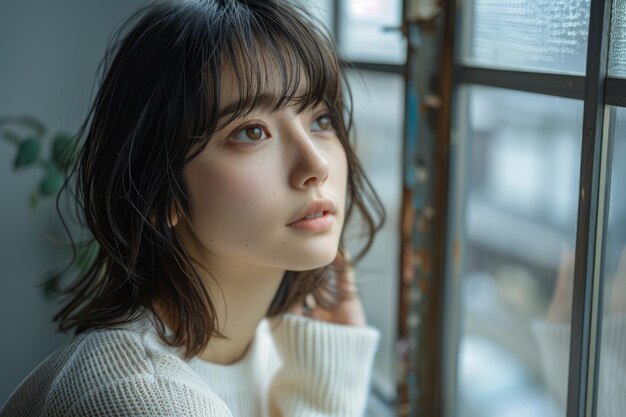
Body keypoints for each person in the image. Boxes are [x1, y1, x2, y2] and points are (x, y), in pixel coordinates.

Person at [0, 0, 386, 415]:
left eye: (321, 120)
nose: (316, 165)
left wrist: (323, 386)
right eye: (252, 131)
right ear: (160, 192)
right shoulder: (140, 397)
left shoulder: (275, 355)